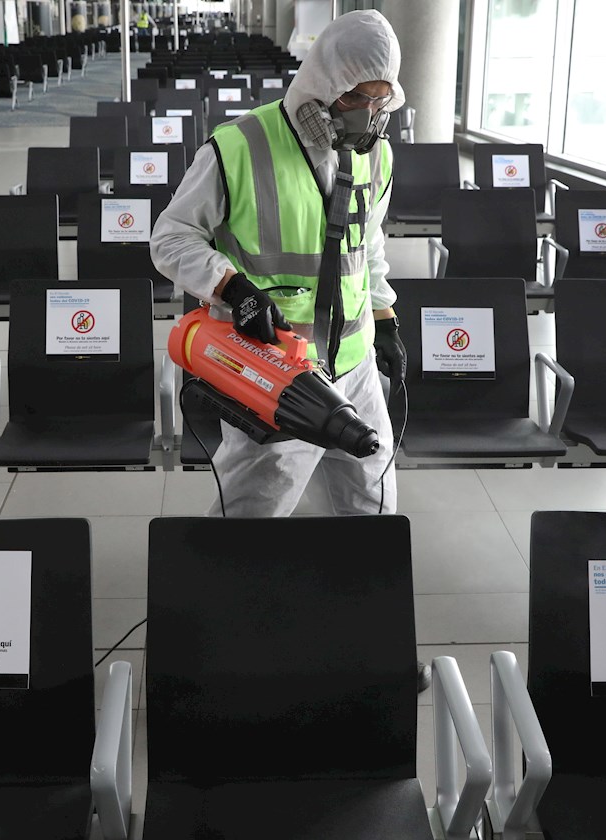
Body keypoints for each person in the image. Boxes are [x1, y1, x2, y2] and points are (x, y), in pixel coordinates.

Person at [151, 10, 428, 691]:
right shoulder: (239, 147)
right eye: (356, 95)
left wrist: (386, 317)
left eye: (380, 97)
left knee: (373, 506)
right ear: (324, 83)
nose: (368, 111)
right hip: (278, 372)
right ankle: (211, 646)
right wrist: (229, 285)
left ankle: (375, 641)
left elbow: (370, 247)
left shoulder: (378, 154)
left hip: (354, 367)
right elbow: (169, 239)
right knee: (253, 518)